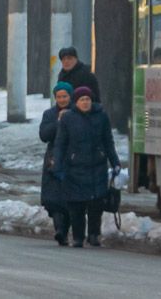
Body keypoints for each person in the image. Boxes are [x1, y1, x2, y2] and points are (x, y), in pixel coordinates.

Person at [53, 86, 120, 248]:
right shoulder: (68, 119)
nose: (85, 102)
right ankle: (78, 237)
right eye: (82, 100)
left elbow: (108, 141)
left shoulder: (101, 117)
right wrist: (58, 166)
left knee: (96, 204)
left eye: (88, 99)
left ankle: (94, 234)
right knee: (76, 205)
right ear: (76, 102)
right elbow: (61, 144)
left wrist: (115, 162)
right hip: (75, 168)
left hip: (97, 167)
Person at [40, 81, 74, 245]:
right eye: (59, 97)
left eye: (65, 96)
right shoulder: (49, 114)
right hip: (53, 159)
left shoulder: (76, 112)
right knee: (53, 198)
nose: (62, 99)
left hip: (72, 159)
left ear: (70, 96)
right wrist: (58, 122)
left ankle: (66, 230)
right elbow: (44, 135)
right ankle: (60, 230)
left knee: (69, 198)